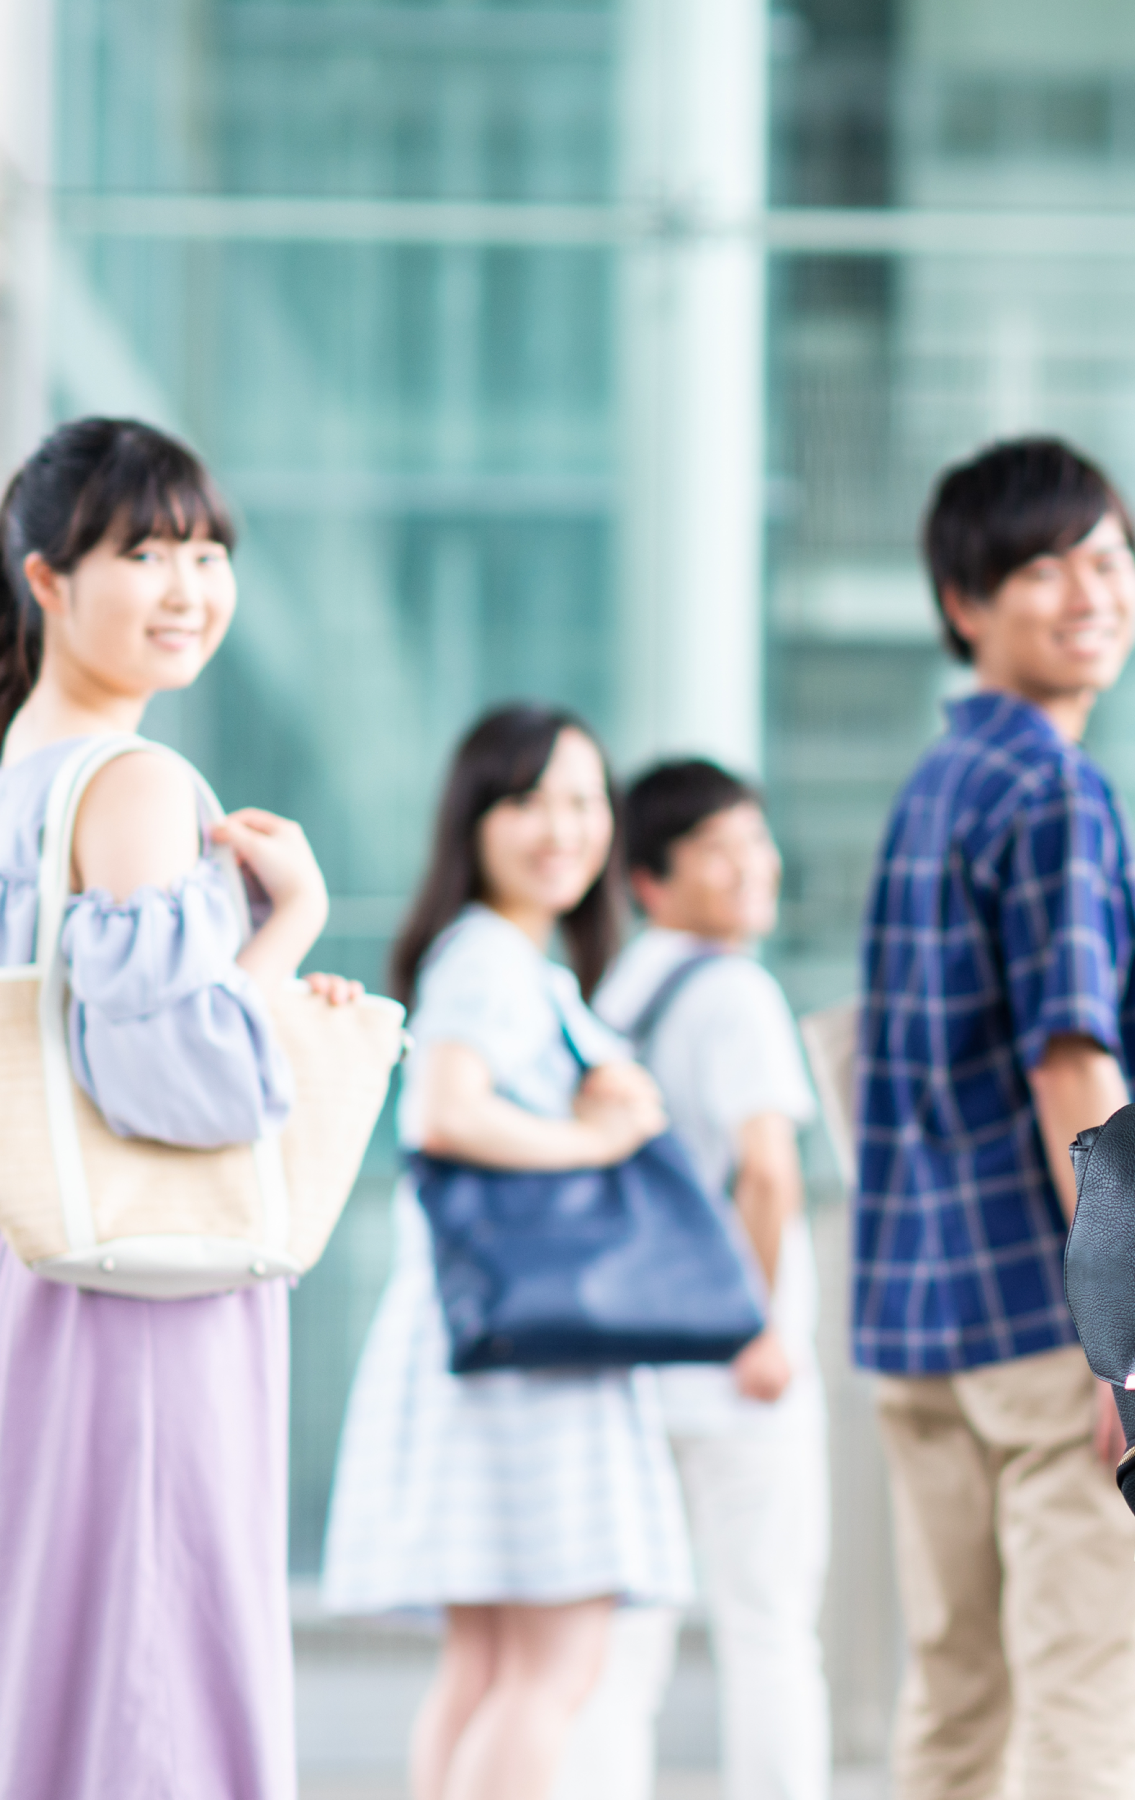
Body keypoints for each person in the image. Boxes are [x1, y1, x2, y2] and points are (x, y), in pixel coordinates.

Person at [0, 417, 361, 1799]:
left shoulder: (23, 777)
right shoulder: (136, 784)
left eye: (208, 551)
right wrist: (292, 927)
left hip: (46, 1275)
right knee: (157, 1659)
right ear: (45, 580)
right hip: (152, 1290)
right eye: (141, 550)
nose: (186, 586)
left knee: (64, 1651)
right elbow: (180, 1087)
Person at [853, 436, 1135, 1800]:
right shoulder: (1054, 790)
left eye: (1110, 560)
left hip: (920, 1324)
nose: (1088, 591)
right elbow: (1073, 1073)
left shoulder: (936, 786)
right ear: (963, 599)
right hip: (1051, 1331)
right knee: (1089, 1719)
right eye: (1044, 566)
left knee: (956, 1704)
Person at [321, 703, 696, 1800]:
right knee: (553, 1666)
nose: (562, 828)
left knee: (490, 1664)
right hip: (531, 1358)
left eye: (583, 802)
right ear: (474, 819)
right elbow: (443, 1112)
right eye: (528, 800)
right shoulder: (490, 958)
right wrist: (597, 1134)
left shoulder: (508, 962)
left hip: (489, 1342)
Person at [555, 757, 830, 1800]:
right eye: (721, 850)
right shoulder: (735, 991)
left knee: (625, 1648)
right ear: (651, 880)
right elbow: (767, 1169)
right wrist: (757, 1328)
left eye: (754, 840)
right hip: (735, 1369)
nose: (754, 866)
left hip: (636, 1361)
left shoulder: (616, 991)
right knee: (768, 1635)